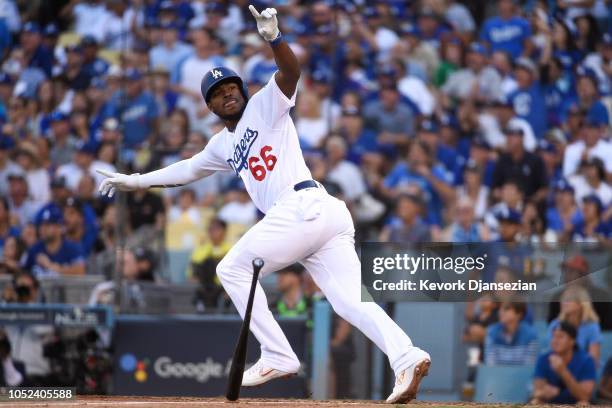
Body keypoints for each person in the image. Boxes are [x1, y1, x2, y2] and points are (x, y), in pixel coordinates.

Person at [97, 6, 430, 404]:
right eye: (219, 93)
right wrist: (135, 180)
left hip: (303, 205)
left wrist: (275, 38)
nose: (228, 93)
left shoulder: (262, 105)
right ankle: (407, 356)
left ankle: (277, 353)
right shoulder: (222, 143)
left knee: (231, 268)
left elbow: (290, 74)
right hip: (315, 218)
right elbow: (186, 170)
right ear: (211, 107)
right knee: (350, 302)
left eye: (231, 87)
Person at [531, 321, 596, 405]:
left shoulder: (586, 360)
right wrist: (543, 392)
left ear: (572, 341)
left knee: (583, 404)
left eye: (560, 336)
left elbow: (585, 396)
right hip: (551, 404)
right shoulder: (544, 358)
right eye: (553, 336)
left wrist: (563, 371)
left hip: (575, 404)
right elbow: (538, 390)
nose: (555, 340)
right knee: (536, 402)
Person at [547, 286, 602, 365]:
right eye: (563, 299)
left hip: (584, 370)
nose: (564, 303)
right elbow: (551, 354)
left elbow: (594, 360)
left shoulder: (591, 327)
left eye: (569, 300)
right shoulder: (555, 324)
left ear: (581, 304)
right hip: (559, 367)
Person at [484, 301, 538, 366]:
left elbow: (529, 367)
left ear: (519, 314)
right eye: (500, 309)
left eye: (506, 309)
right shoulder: (492, 332)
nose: (501, 312)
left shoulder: (531, 335)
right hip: (497, 375)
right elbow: (490, 365)